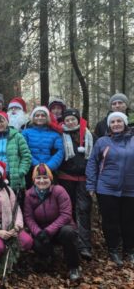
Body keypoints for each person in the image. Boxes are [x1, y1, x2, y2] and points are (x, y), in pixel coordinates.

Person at [86, 112, 134, 266]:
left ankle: (129, 250)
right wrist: (91, 185)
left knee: (129, 221)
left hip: (130, 188)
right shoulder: (102, 141)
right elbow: (92, 163)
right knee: (110, 221)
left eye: (119, 121)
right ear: (109, 125)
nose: (116, 124)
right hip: (106, 188)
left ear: (125, 123)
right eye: (112, 122)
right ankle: (113, 250)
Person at [24, 164, 80, 281]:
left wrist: (49, 231)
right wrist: (38, 232)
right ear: (34, 180)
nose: (42, 181)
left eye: (45, 178)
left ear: (50, 179)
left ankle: (73, 266)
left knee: (68, 232)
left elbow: (66, 214)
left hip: (60, 229)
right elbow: (28, 217)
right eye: (38, 178)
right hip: (42, 230)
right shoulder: (29, 195)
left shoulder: (59, 191)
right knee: (34, 240)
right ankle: (47, 257)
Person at [57, 109, 94, 260]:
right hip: (66, 179)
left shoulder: (88, 135)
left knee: (84, 211)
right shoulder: (60, 136)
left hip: (84, 180)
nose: (70, 122)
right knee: (68, 211)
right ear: (63, 122)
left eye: (73, 119)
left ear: (78, 120)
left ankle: (84, 246)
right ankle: (70, 243)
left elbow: (95, 157)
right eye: (68, 120)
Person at [0, 111, 31, 191]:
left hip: (13, 175)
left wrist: (20, 172)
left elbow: (26, 156)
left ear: (7, 122)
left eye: (1, 121)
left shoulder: (17, 136)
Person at [22, 106, 64, 187]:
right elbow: (24, 151)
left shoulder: (55, 134)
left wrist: (48, 166)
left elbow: (59, 152)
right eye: (37, 115)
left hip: (50, 170)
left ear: (47, 117)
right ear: (33, 118)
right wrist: (36, 165)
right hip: (30, 169)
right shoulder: (26, 133)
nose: (40, 117)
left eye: (43, 115)